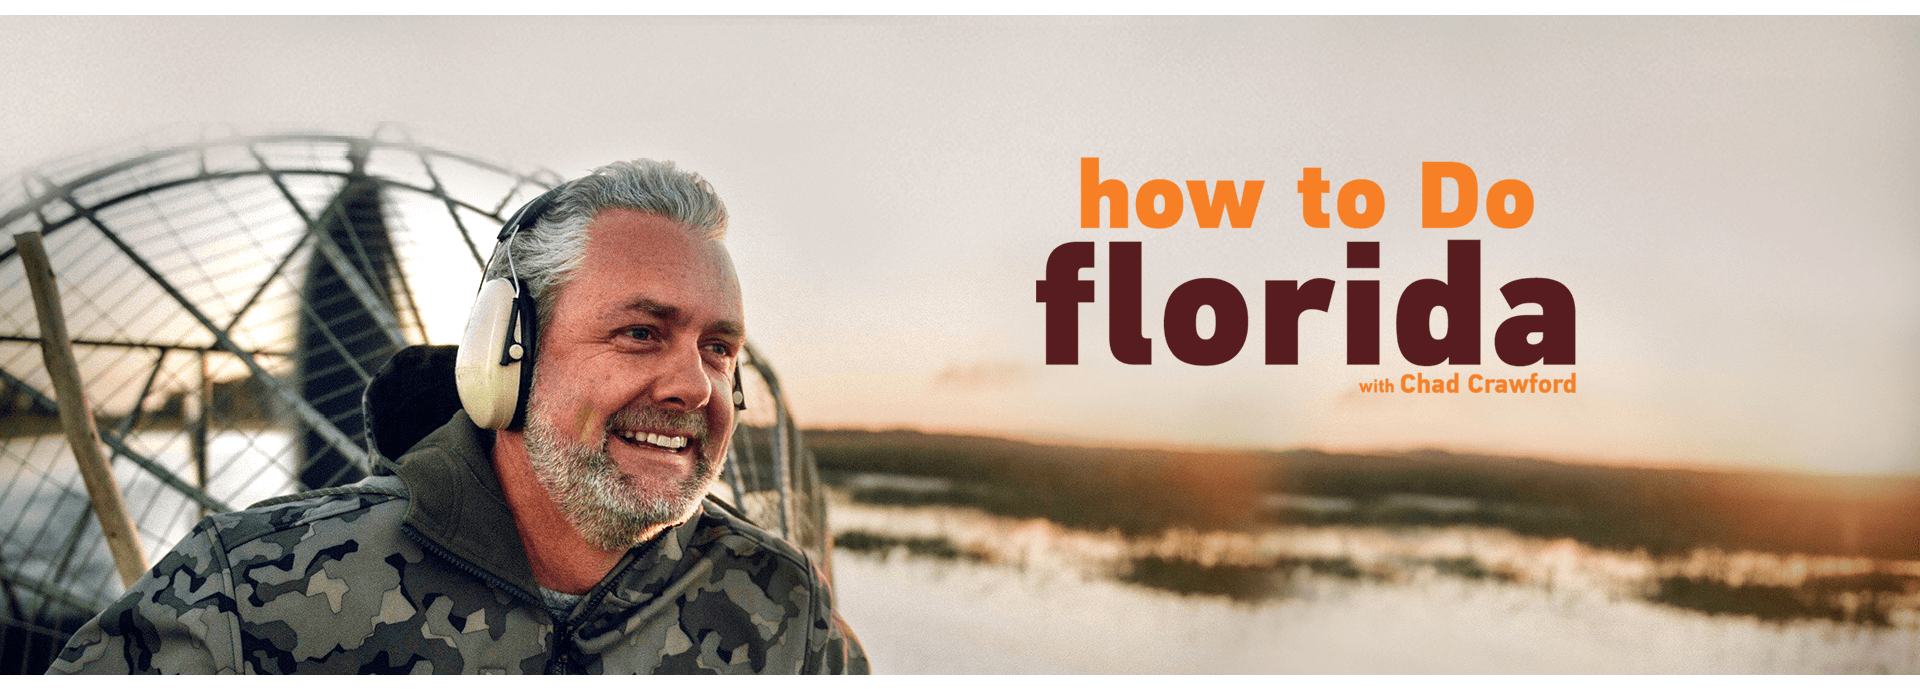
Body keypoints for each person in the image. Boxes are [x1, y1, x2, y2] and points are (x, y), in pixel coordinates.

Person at [48, 160, 868, 674]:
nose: (695, 384)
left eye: (719, 348)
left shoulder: (784, 614)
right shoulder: (245, 595)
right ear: (503, 356)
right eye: (640, 332)